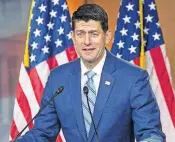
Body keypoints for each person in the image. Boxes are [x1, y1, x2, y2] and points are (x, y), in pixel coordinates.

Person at [13, 4, 165, 142]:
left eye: (93, 34)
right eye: (80, 34)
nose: (86, 41)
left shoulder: (134, 78)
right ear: (73, 37)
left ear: (107, 36)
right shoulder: (58, 78)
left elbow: (150, 133)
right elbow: (42, 133)